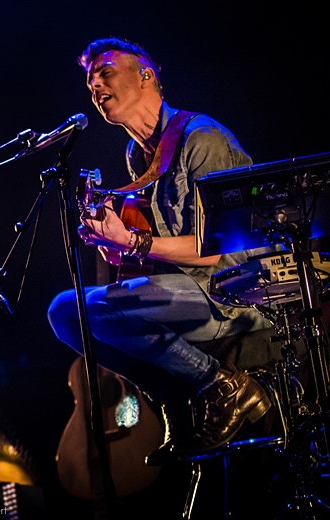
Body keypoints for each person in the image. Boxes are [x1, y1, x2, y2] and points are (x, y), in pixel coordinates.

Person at [47, 36, 278, 463]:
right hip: (193, 292)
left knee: (76, 309)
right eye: (89, 80)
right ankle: (202, 390)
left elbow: (215, 252)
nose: (94, 86)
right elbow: (170, 248)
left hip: (234, 294)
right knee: (65, 313)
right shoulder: (139, 154)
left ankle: (223, 388)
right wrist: (118, 247)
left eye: (106, 73)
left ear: (147, 76)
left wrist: (133, 240)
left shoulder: (201, 138)